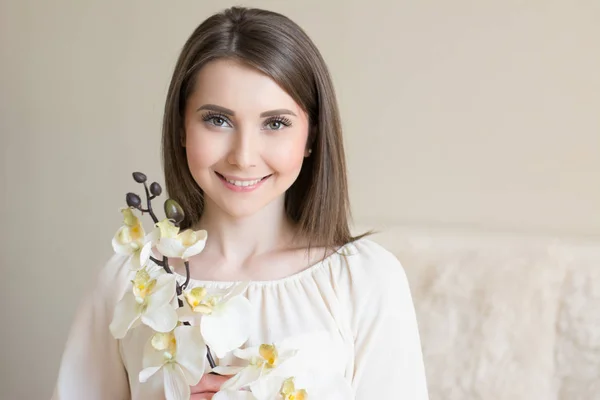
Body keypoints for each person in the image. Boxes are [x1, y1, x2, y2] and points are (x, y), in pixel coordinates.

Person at [52, 6, 429, 400]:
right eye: (218, 120)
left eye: (275, 123)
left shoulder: (363, 280)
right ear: (182, 127)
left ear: (311, 137)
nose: (243, 156)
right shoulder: (128, 284)